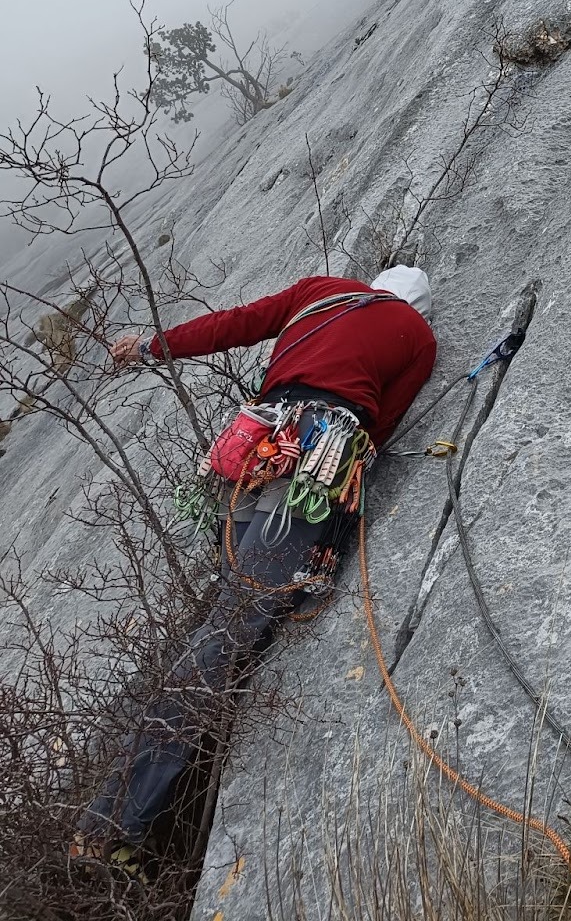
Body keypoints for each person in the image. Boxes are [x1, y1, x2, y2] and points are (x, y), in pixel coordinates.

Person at [71, 263, 437, 870]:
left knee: (227, 614)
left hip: (253, 444)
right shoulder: (418, 337)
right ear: (414, 305)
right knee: (229, 630)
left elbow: (235, 324)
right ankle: (114, 824)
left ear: (373, 284)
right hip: (319, 457)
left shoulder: (320, 292)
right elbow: (383, 425)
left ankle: (131, 814)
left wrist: (153, 348)